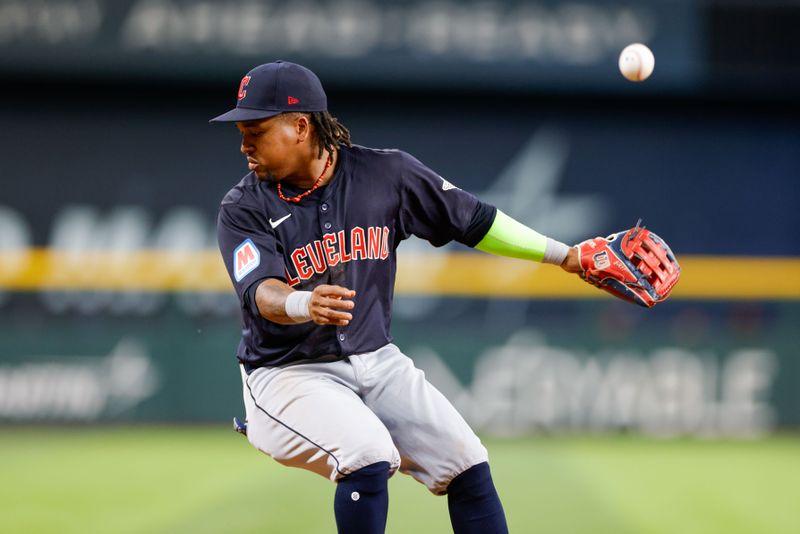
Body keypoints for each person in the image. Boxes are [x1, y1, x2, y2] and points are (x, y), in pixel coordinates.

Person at [212, 60, 582, 534]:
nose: (244, 144)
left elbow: (477, 220)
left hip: (374, 359)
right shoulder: (243, 206)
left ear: (301, 126)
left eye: (255, 130)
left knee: (467, 462)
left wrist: (565, 256)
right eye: (242, 131)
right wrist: (302, 303)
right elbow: (259, 291)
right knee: (368, 454)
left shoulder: (385, 174)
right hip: (286, 374)